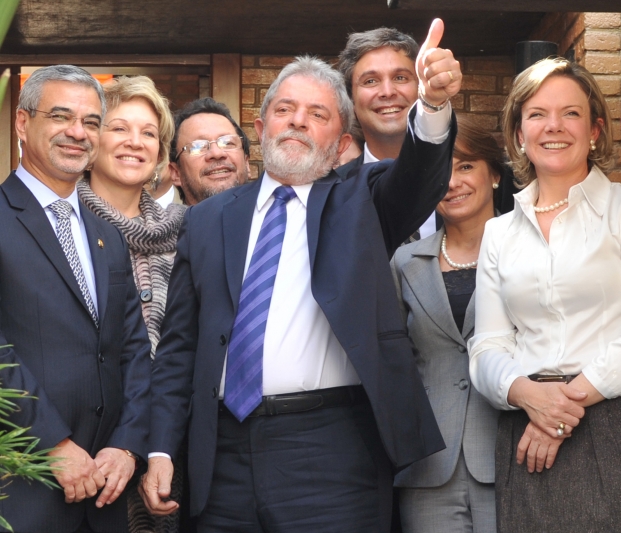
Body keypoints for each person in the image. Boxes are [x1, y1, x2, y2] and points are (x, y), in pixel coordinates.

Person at [141, 19, 461, 532]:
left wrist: (435, 106)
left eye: (317, 114)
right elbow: (179, 346)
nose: (296, 122)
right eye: (284, 110)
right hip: (220, 455)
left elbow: (418, 176)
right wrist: (160, 449)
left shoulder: (362, 199)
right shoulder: (208, 219)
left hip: (332, 452)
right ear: (262, 125)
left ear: (340, 141)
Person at [468, 58, 621, 532]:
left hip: (618, 428)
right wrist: (528, 396)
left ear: (595, 131)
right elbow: (487, 347)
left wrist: (560, 408)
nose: (554, 127)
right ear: (518, 134)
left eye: (570, 113)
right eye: (537, 114)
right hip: (526, 433)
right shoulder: (498, 233)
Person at [0, 65, 151, 532]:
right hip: (23, 486)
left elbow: (133, 351)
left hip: (103, 493)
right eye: (61, 116)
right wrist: (52, 444)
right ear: (23, 123)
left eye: (90, 122)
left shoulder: (107, 234)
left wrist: (127, 446)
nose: (76, 132)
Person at [75, 75, 186, 533]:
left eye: (149, 133)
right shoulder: (64, 229)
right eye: (119, 128)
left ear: (161, 153)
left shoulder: (190, 232)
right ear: (92, 137)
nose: (135, 143)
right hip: (86, 456)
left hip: (173, 451)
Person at [390, 119, 502, 533]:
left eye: (467, 166)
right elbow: (394, 363)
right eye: (441, 169)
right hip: (428, 467)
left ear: (494, 174)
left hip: (513, 455)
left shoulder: (531, 251)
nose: (452, 182)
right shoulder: (404, 263)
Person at [337, 26, 440, 240]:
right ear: (351, 99)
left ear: (421, 88)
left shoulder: (460, 181)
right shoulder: (331, 190)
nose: (387, 92)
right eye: (370, 81)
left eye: (401, 78)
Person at [168, 97, 251, 205]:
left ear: (247, 163)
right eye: (198, 147)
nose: (217, 153)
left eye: (227, 143)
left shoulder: (275, 220)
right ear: (176, 173)